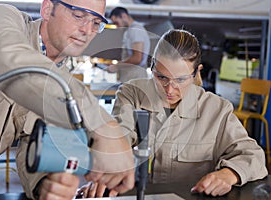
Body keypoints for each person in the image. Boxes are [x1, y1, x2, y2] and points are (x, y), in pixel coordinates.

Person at [0, 0, 135, 199]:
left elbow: (34, 144)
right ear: (47, 9)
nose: (87, 30)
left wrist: (45, 185)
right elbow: (14, 63)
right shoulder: (0, 19)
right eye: (78, 15)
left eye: (95, 22)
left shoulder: (60, 88)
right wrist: (103, 125)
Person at [82, 29, 268, 197]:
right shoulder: (132, 94)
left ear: (196, 73)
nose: (169, 89)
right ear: (152, 67)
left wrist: (229, 174)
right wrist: (109, 165)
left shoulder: (216, 110)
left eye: (180, 79)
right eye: (161, 77)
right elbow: (120, 136)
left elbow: (253, 156)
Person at [104, 7, 151, 82]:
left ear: (124, 16)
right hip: (131, 77)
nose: (116, 26)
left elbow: (137, 58)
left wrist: (117, 66)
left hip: (136, 77)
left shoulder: (136, 30)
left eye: (116, 22)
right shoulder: (129, 31)